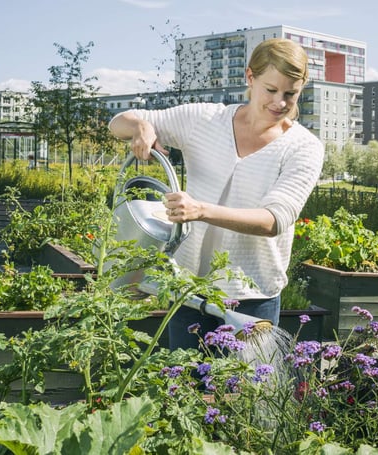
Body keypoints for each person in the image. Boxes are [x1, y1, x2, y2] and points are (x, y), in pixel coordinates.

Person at [108, 38, 324, 350]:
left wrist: (201, 210)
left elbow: (275, 219)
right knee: (183, 390)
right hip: (189, 289)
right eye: (271, 90)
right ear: (250, 77)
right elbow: (117, 122)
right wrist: (141, 126)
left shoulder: (303, 147)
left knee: (243, 396)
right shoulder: (206, 120)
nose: (280, 101)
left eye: (290, 93)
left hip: (252, 296)